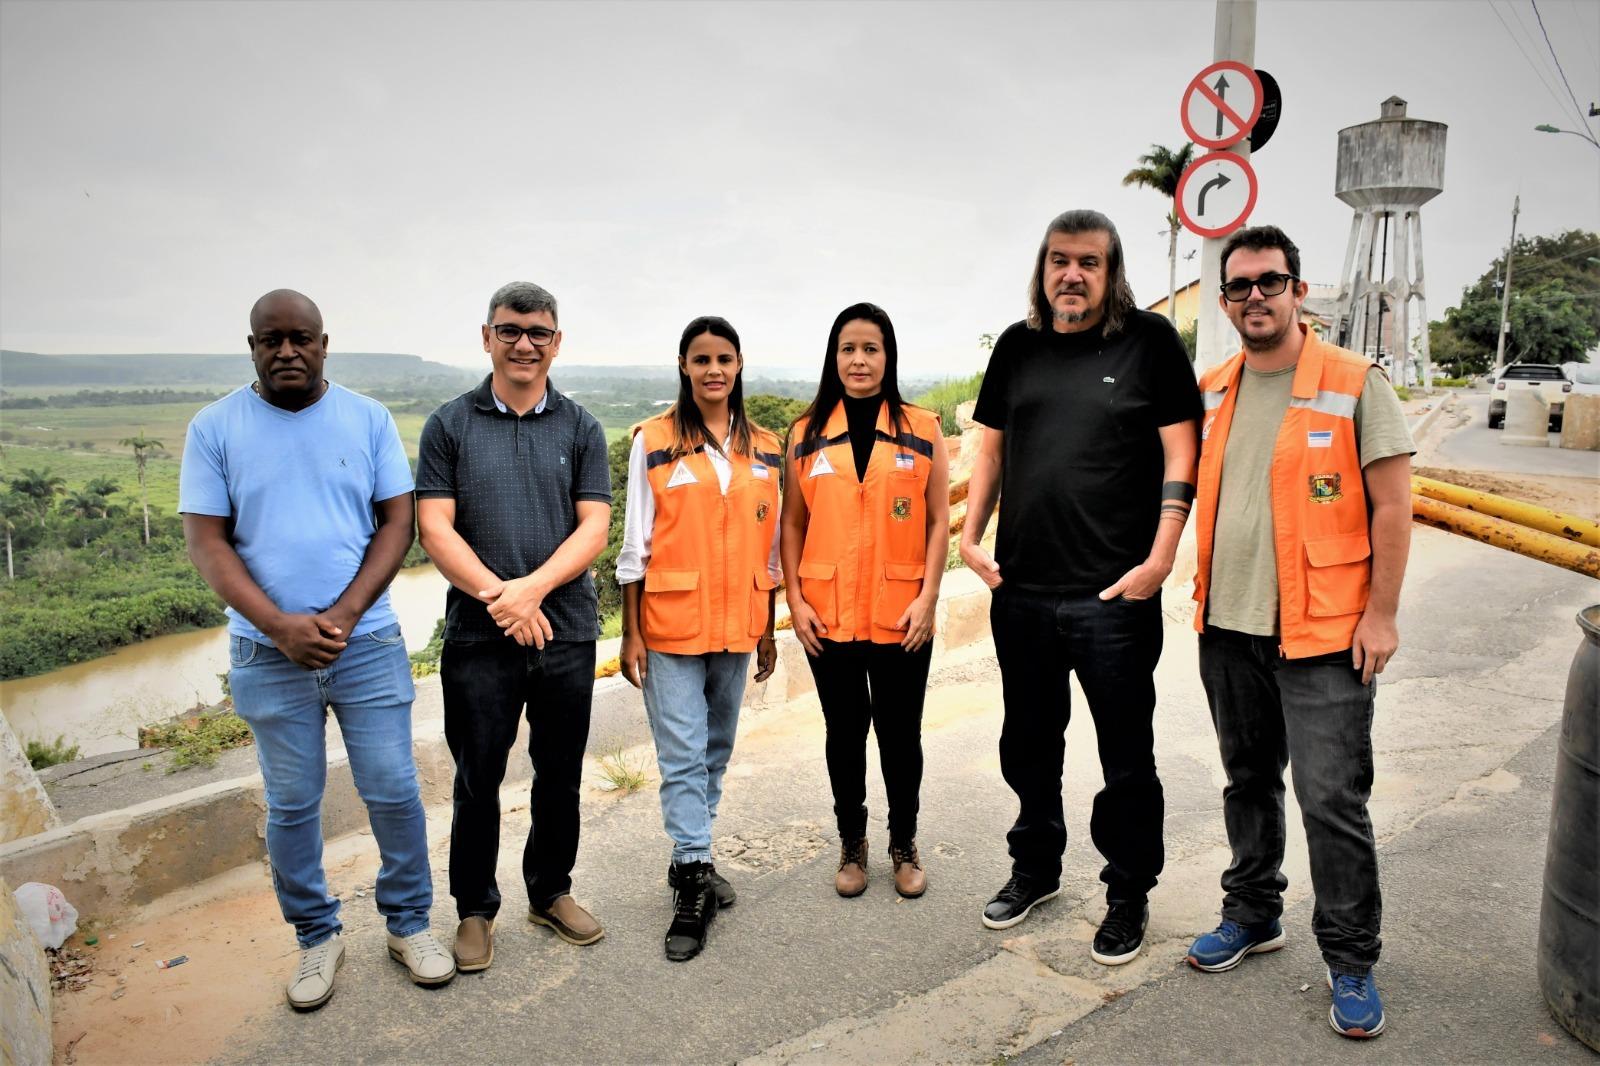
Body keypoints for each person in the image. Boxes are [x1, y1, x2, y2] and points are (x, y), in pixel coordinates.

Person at [180, 289, 454, 1011]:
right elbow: (206, 542)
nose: (287, 351)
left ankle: (409, 924)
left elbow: (397, 523)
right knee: (293, 802)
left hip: (366, 642)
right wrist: (279, 626)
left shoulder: (367, 419)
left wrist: (344, 613)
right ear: (252, 348)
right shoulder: (215, 427)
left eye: (300, 338)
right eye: (271, 340)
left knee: (393, 788)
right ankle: (315, 936)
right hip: (266, 652)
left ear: (324, 344)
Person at [1184, 225, 1413, 1040]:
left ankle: (1350, 958)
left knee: (1331, 801)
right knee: (1248, 782)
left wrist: (1381, 614)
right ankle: (1253, 913)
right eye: (1240, 285)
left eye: (1270, 281)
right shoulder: (1213, 390)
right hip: (1228, 625)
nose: (1255, 296)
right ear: (1225, 301)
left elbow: (1394, 505)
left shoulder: (1353, 382)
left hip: (1325, 635)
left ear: (1298, 290)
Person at [961, 210, 1201, 965]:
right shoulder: (1016, 346)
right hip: (1023, 591)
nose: (1072, 274)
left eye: (1088, 262)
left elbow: (1181, 453)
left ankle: (1127, 893)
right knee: (1029, 745)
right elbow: (991, 450)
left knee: (1126, 757)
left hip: (1114, 597)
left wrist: (1161, 557)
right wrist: (970, 536)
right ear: (1042, 269)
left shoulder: (1150, 342)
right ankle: (1036, 868)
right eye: (1060, 260)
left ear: (1111, 272)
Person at [415, 281, 612, 973]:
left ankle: (550, 891)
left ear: (556, 342)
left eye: (538, 332)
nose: (524, 344)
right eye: (510, 330)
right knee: (478, 777)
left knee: (559, 773)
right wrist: (502, 599)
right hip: (479, 638)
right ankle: (474, 909)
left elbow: (594, 526)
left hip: (566, 631)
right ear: (487, 337)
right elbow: (434, 527)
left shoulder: (581, 427)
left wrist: (532, 592)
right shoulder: (449, 425)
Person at [617, 315, 783, 961]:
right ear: (683, 366)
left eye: (724, 359)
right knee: (682, 751)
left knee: (716, 746)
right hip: (669, 624)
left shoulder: (765, 447)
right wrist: (630, 634)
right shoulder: (654, 440)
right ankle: (692, 878)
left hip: (739, 622)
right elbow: (635, 546)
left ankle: (693, 851)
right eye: (701, 359)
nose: (714, 370)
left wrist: (768, 629)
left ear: (739, 366)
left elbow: (770, 548)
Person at [781, 302, 950, 899]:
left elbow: (938, 519)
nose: (859, 360)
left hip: (902, 614)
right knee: (844, 733)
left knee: (901, 735)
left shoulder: (922, 428)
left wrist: (929, 598)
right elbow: (792, 523)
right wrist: (795, 600)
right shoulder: (805, 434)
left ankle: (904, 844)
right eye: (848, 349)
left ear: (888, 357)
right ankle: (852, 844)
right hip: (827, 615)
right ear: (834, 357)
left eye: (870, 349)